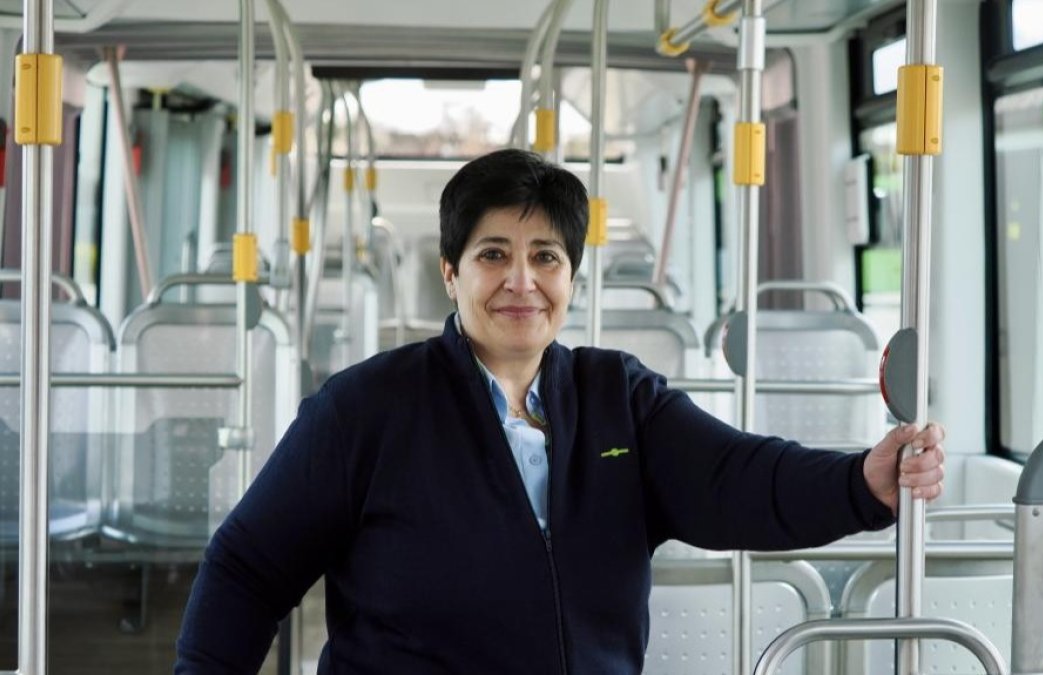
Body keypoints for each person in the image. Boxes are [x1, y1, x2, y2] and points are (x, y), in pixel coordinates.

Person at [175, 148, 945, 674]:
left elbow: (737, 477)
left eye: (545, 256)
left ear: (571, 276)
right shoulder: (366, 408)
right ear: (451, 272)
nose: (522, 280)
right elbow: (248, 566)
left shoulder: (621, 398)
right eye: (493, 254)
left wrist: (862, 481)